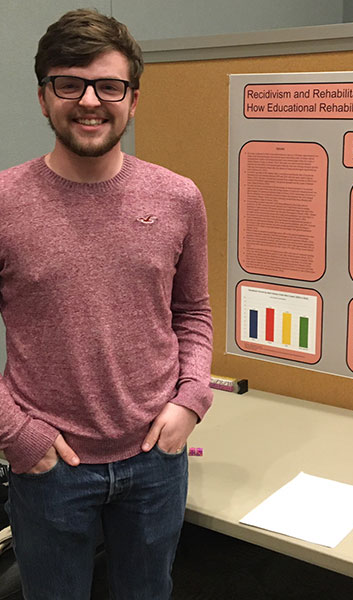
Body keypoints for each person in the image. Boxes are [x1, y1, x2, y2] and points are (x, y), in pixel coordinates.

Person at [0, 8, 213, 599]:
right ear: (44, 98)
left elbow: (192, 311)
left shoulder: (178, 198)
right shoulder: (4, 202)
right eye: (69, 83)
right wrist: (15, 433)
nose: (90, 101)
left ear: (133, 99)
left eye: (109, 86)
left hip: (155, 458)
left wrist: (192, 399)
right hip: (49, 467)